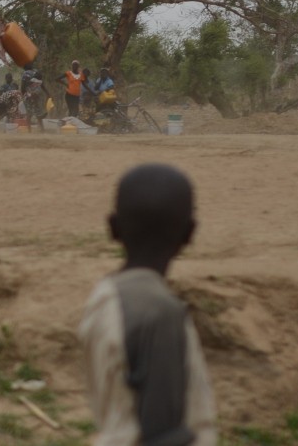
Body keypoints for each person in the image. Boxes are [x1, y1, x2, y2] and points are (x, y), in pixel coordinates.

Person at [78, 164, 217, 446]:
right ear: (190, 232)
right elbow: (163, 434)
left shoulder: (103, 298)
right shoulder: (159, 311)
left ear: (113, 228)